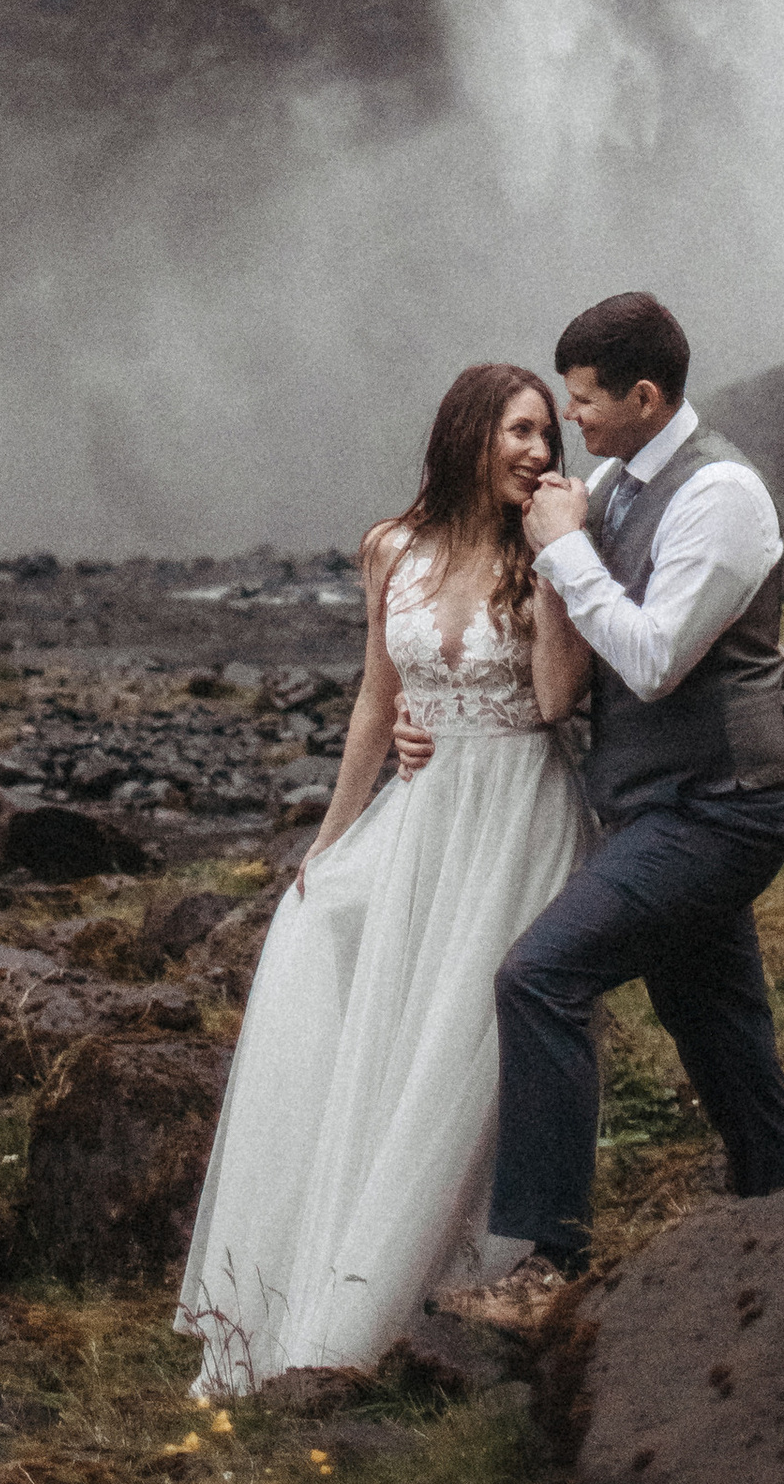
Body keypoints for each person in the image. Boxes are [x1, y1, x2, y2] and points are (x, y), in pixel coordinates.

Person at [173, 364, 594, 1393]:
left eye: (548, 434)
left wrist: (560, 566)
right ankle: (338, 1257)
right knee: (371, 996)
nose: (539, 451)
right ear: (468, 435)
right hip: (423, 810)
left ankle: (472, 1274)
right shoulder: (390, 549)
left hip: (520, 812)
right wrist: (331, 839)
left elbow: (553, 703)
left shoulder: (542, 550)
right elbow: (377, 697)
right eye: (520, 431)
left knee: (471, 1032)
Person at [441, 287, 784, 1310]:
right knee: (721, 1038)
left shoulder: (721, 495)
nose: (572, 420)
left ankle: (549, 1267)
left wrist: (564, 547)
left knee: (539, 978)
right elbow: (550, 638)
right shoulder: (610, 485)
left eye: (586, 400)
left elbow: (649, 661)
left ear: (645, 397)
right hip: (661, 810)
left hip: (722, 811)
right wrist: (437, 711)